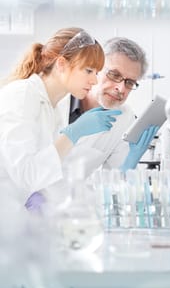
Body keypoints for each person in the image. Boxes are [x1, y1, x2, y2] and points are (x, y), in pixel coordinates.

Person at [26, 36, 158, 210]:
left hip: (68, 215)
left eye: (130, 82)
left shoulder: (124, 118)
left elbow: (113, 187)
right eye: (114, 75)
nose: (121, 88)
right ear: (96, 69)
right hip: (20, 204)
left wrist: (129, 165)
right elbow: (20, 163)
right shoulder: (53, 98)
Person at [0, 27, 122, 207]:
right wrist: (73, 133)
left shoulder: (53, 107)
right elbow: (27, 175)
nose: (95, 81)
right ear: (61, 64)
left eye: (96, 73)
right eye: (88, 71)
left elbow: (48, 176)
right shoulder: (22, 95)